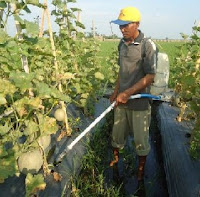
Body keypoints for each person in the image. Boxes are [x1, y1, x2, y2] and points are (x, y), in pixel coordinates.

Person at [109, 6, 156, 195]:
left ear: (137, 24)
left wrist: (127, 92)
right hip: (122, 101)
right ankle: (114, 164)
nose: (122, 29)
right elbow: (122, 72)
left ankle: (139, 174)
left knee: (140, 141)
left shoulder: (147, 45)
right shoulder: (121, 44)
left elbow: (150, 76)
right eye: (120, 25)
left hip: (139, 103)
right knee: (117, 136)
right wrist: (116, 91)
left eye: (125, 25)